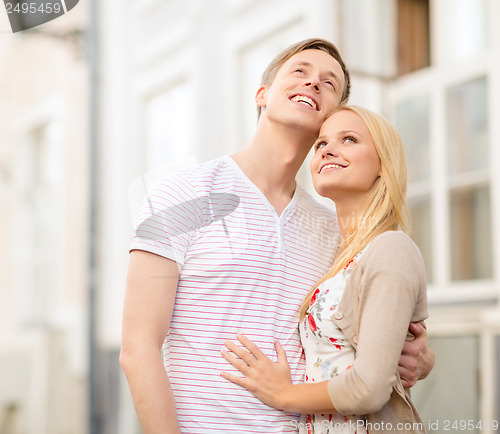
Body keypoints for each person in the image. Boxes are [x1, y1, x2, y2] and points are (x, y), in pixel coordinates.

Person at [120, 39, 434, 433]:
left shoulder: (333, 228)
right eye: (299, 71)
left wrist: (418, 357)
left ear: (332, 115)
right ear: (262, 94)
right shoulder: (180, 195)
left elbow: (355, 336)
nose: (313, 83)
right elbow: (137, 349)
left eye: (329, 82)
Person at [220, 105, 429, 433]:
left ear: (382, 164)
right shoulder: (340, 252)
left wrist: (283, 394)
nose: (328, 149)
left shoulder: (390, 248)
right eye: (321, 144)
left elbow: (369, 389)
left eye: (349, 139)